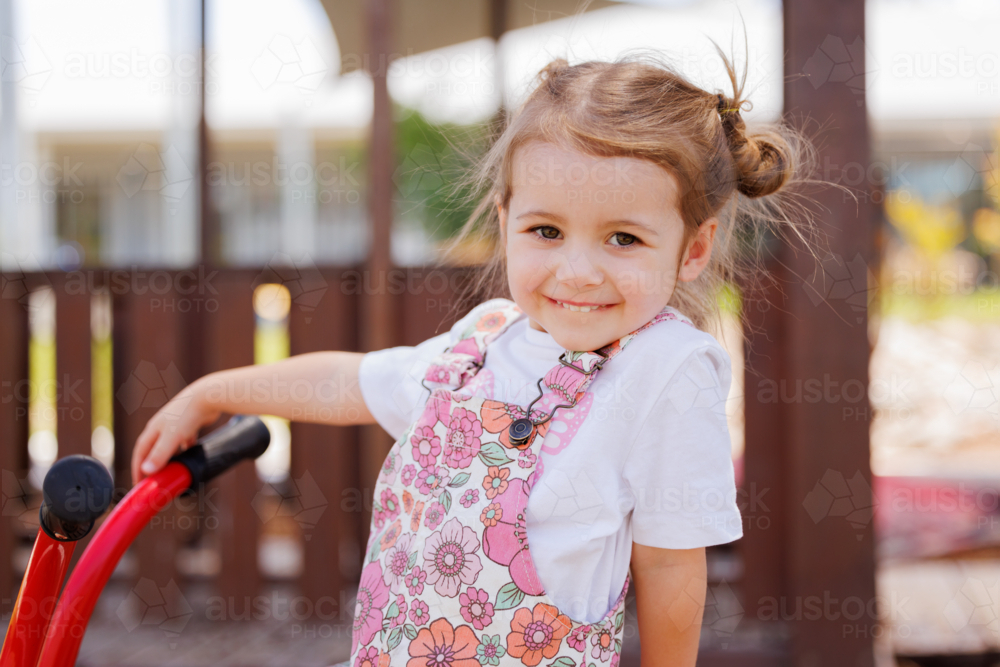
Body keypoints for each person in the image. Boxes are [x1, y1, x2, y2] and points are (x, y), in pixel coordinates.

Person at [133, 48, 817, 667]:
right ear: (505, 222)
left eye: (624, 239)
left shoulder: (664, 369)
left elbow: (671, 565)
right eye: (546, 230)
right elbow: (351, 381)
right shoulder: (484, 341)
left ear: (693, 249)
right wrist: (215, 392)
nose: (577, 271)